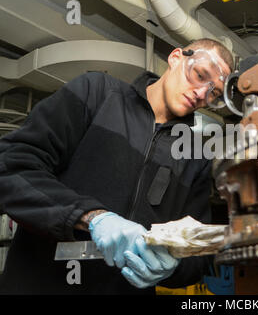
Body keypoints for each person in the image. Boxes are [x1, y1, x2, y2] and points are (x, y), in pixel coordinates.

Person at [0, 38, 233, 294]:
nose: (201, 94)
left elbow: (198, 257)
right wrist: (91, 218)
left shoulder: (194, 156)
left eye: (213, 93)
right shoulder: (97, 94)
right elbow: (12, 167)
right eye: (199, 75)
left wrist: (174, 266)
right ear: (176, 57)